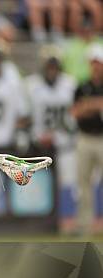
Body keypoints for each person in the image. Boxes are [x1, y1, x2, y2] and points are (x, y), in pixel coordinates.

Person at [25, 46, 78, 233]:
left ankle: (69, 223)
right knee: (40, 187)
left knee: (69, 183)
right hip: (39, 145)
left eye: (54, 65)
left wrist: (58, 135)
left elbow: (75, 115)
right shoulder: (31, 85)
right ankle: (40, 224)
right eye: (49, 65)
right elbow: (25, 116)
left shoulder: (70, 84)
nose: (52, 69)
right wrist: (34, 136)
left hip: (65, 143)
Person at [71, 44, 103, 235]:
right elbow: (75, 112)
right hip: (85, 138)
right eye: (93, 63)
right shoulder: (82, 86)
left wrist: (87, 105)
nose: (95, 67)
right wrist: (95, 104)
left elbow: (84, 108)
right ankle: (84, 225)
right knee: (83, 183)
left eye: (98, 63)